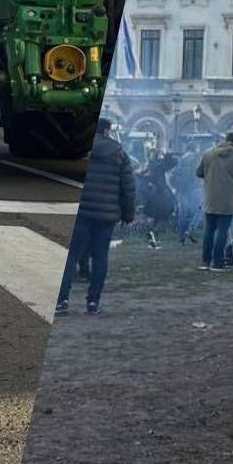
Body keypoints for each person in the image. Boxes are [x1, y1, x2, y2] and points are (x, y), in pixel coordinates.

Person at [57, 118, 135, 316]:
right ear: (108, 131)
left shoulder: (84, 150)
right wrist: (128, 214)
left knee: (71, 256)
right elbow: (128, 188)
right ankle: (93, 303)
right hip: (106, 216)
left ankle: (61, 301)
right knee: (100, 257)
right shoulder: (119, 153)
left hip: (82, 214)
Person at [195, 131, 233, 270]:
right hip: (228, 199)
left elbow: (198, 172)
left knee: (209, 230)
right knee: (222, 231)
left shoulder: (208, 153)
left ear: (224, 140)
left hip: (210, 197)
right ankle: (218, 262)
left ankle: (205, 262)